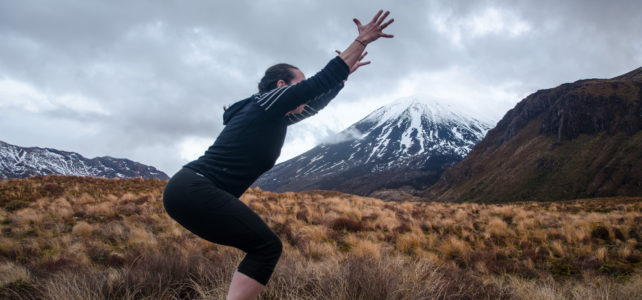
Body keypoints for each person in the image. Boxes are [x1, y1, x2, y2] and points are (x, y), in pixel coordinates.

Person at [163, 10, 394, 300]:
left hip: (187, 193)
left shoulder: (274, 116)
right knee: (267, 247)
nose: (303, 94)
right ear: (282, 87)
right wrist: (360, 42)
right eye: (299, 85)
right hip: (195, 189)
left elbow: (315, 102)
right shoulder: (265, 103)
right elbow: (320, 82)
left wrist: (342, 77)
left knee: (261, 247)